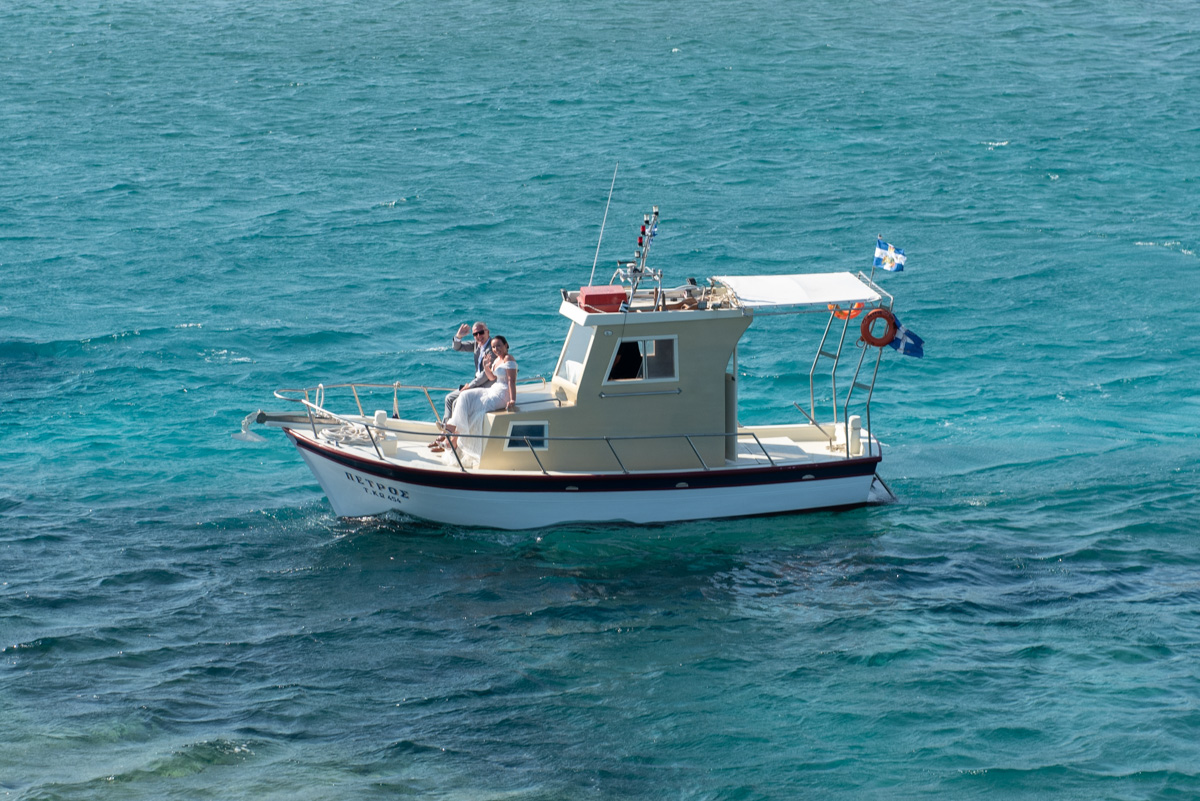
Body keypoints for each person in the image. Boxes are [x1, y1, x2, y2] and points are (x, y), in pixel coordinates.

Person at [435, 335, 517, 464]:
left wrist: (512, 400)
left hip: (502, 394)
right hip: (493, 389)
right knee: (464, 396)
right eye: (494, 346)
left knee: (474, 411)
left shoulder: (508, 358)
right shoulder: (497, 360)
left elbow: (511, 381)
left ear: (506, 345)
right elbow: (491, 378)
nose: (496, 349)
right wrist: (486, 367)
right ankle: (452, 430)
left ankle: (453, 438)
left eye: (499, 346)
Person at [442, 321, 494, 423]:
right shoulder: (476, 345)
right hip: (476, 384)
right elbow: (457, 347)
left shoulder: (493, 348)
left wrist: (470, 386)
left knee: (457, 402)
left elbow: (485, 376)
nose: (479, 336)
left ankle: (454, 431)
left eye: (481, 332)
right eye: (475, 334)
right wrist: (458, 336)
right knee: (449, 398)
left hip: (485, 386)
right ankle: (445, 428)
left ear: (487, 332)